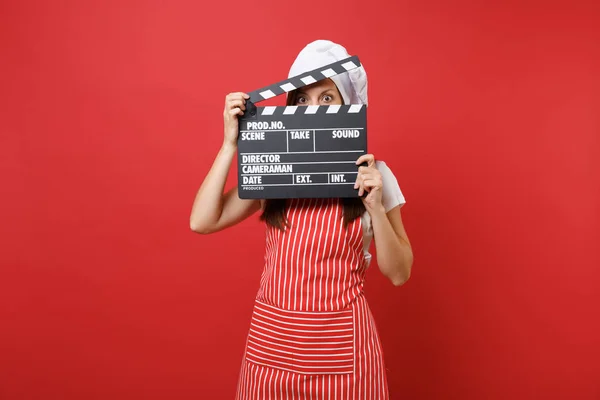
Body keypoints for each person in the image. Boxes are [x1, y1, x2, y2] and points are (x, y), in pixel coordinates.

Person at [190, 40, 413, 399]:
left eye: (327, 98)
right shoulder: (275, 172)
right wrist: (230, 144)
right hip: (272, 349)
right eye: (301, 100)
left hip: (345, 353)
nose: (314, 108)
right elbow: (202, 221)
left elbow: (399, 273)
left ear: (349, 107)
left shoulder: (376, 176)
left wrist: (374, 205)